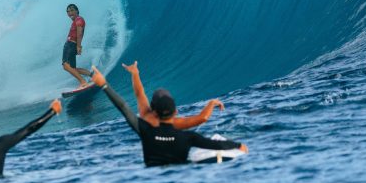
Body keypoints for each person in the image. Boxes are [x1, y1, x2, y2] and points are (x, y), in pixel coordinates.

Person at [90, 66, 248, 167]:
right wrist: (211, 103)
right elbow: (208, 132)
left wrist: (109, 82)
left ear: (155, 109)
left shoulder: (145, 125)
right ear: (175, 111)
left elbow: (128, 103)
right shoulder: (186, 134)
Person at [123, 61, 225, 129]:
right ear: (175, 111)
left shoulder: (146, 117)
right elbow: (203, 118)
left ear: (154, 111)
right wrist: (212, 103)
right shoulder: (176, 124)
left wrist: (135, 73)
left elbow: (139, 93)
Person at [62, 3, 92, 87]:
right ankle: (93, 75)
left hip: (71, 45)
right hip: (71, 45)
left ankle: (83, 82)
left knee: (66, 66)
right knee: (73, 68)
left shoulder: (79, 20)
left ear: (77, 11)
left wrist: (78, 46)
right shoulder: (76, 21)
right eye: (68, 11)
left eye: (72, 10)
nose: (70, 13)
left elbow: (79, 34)